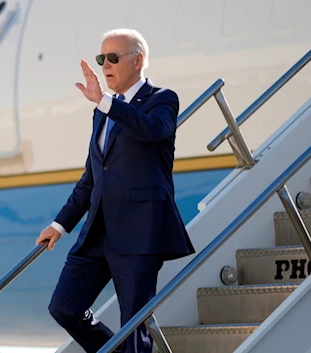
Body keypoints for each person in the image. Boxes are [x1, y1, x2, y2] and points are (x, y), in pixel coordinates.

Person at [35, 28, 195, 353]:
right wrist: (60, 224)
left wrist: (105, 102)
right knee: (64, 306)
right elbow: (92, 177)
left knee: (134, 328)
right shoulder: (102, 112)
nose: (105, 65)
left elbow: (151, 131)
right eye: (101, 58)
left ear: (138, 61)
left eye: (113, 57)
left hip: (139, 233)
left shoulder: (162, 99)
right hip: (98, 233)